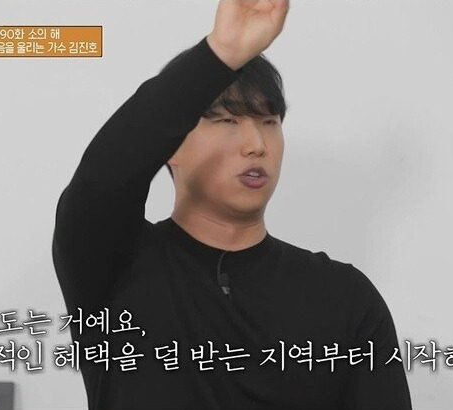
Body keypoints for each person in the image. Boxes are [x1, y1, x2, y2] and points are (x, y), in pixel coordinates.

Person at [52, 0, 412, 408]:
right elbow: (103, 179)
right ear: (170, 145)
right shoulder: (113, 267)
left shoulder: (344, 297)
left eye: (269, 122)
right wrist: (220, 52)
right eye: (228, 121)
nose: (256, 145)